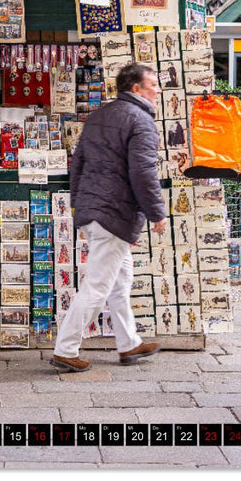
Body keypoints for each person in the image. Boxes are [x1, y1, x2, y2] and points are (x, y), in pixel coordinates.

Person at [50, 63, 169, 372]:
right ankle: (65, 349)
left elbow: (77, 165)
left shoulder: (100, 115)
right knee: (99, 285)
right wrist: (157, 213)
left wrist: (80, 206)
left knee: (120, 281)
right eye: (152, 84)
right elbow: (143, 173)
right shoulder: (141, 121)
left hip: (95, 210)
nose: (158, 90)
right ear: (136, 90)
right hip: (114, 212)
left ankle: (129, 344)